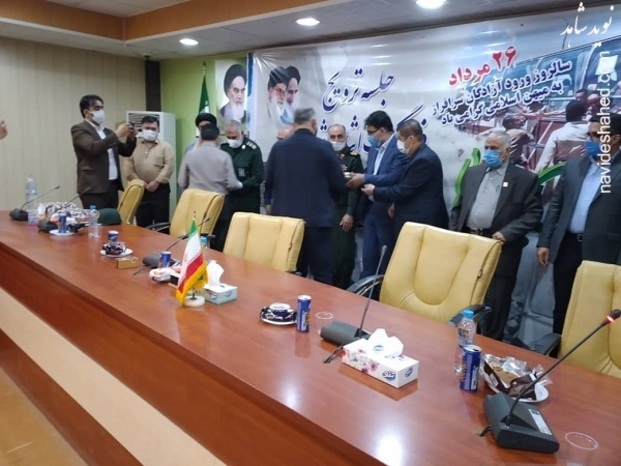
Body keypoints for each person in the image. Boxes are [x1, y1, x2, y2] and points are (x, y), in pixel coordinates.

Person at [450, 129, 543, 340]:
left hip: (501, 248)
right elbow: (458, 207)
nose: (489, 152)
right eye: (487, 148)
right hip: (470, 243)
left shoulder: (525, 179)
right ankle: (461, 341)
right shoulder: (473, 173)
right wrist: (456, 234)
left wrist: (507, 233)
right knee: (466, 297)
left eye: (494, 148)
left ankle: (490, 346)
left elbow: (533, 214)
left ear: (507, 151)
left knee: (496, 302)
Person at [537, 113, 621, 335]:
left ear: (615, 138)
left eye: (597, 135)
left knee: (591, 312)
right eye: (589, 135)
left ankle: (581, 354)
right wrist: (545, 241)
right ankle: (556, 350)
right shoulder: (574, 166)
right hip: (567, 247)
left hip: (603, 253)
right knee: (561, 307)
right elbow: (556, 206)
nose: (591, 140)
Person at [265, 108, 345, 284]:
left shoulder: (279, 148)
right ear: (314, 123)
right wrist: (333, 200)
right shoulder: (324, 147)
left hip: (286, 222)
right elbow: (339, 184)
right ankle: (320, 304)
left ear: (294, 124)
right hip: (318, 222)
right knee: (322, 275)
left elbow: (268, 181)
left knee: (290, 273)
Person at [362, 119, 448, 241]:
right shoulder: (417, 156)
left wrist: (374, 191)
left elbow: (403, 190)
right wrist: (395, 203)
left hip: (422, 224)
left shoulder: (423, 160)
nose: (398, 144)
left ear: (411, 139)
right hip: (415, 222)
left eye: (400, 139)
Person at [347, 111, 407, 277]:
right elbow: (371, 171)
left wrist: (365, 178)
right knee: (368, 258)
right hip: (370, 209)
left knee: (385, 260)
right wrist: (356, 177)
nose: (369, 137)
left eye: (371, 132)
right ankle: (366, 290)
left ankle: (380, 291)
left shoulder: (399, 149)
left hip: (388, 210)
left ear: (382, 130)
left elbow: (394, 177)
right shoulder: (374, 149)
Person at [71, 94, 136, 209]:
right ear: (86, 112)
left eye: (102, 108)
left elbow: (126, 151)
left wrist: (131, 137)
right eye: (97, 108)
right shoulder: (79, 129)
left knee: (112, 218)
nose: (101, 111)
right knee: (97, 220)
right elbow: (93, 148)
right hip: (93, 188)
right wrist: (117, 134)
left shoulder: (107, 132)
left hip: (112, 185)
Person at [214, 120, 264, 250]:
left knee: (248, 237)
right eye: (228, 137)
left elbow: (258, 176)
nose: (231, 140)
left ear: (242, 133)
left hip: (247, 200)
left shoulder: (252, 149)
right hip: (228, 200)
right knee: (226, 236)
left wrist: (242, 185)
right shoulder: (223, 147)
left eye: (234, 137)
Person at [328, 124, 364, 289]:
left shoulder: (353, 158)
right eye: (333, 137)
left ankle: (341, 290)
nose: (336, 140)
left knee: (342, 256)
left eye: (340, 136)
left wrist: (350, 213)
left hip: (342, 212)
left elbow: (355, 190)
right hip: (324, 211)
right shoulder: (323, 156)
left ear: (345, 137)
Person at [124, 115, 175, 227]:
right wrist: (140, 183)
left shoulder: (166, 147)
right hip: (140, 190)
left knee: (161, 225)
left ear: (158, 130)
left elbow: (169, 166)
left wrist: (157, 182)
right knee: (142, 224)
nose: (150, 131)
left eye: (153, 129)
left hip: (160, 190)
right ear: (142, 129)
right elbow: (128, 167)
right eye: (147, 128)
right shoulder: (133, 146)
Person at [177, 124, 242, 195]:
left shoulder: (189, 155)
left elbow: (181, 182)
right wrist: (241, 185)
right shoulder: (224, 156)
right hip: (217, 199)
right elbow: (232, 184)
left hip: (195, 198)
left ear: (201, 137)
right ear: (217, 137)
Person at [535, 101, 587, 173]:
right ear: (583, 114)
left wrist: (535, 177)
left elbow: (545, 161)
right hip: (584, 172)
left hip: (561, 172)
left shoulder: (557, 134)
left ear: (566, 115)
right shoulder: (591, 132)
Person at [265, 126, 294, 215]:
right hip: (277, 203)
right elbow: (268, 180)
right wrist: (267, 202)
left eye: (281, 140)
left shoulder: (300, 158)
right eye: (278, 139)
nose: (278, 142)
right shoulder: (275, 154)